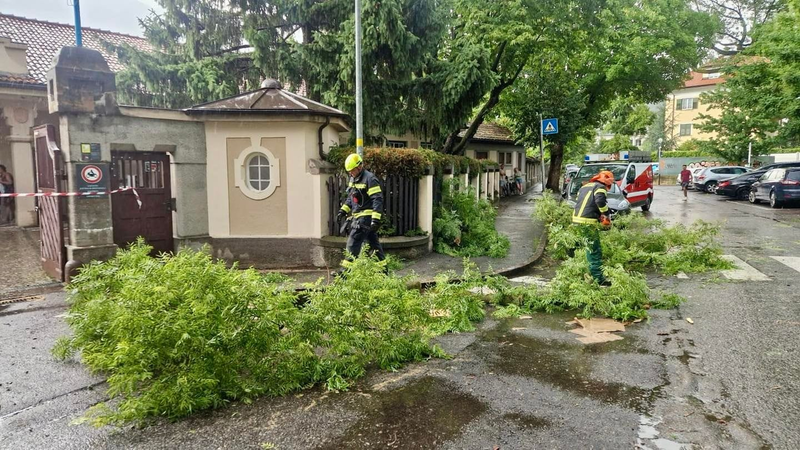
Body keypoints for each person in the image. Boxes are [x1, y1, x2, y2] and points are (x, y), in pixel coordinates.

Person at [337, 153, 386, 261]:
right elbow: (351, 198)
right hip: (359, 217)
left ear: (359, 167)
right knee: (374, 246)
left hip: (365, 218)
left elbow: (377, 199)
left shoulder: (370, 179)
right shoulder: (353, 179)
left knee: (352, 243)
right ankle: (383, 272)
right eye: (348, 171)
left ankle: (344, 274)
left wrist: (375, 219)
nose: (350, 173)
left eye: (352, 170)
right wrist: (343, 211)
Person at [572, 170, 614, 286]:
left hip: (576, 219)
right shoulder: (601, 187)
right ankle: (599, 279)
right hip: (588, 221)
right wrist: (606, 214)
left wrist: (598, 214)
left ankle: (569, 247)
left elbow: (581, 202)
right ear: (607, 183)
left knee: (581, 240)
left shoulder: (585, 186)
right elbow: (600, 201)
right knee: (594, 249)